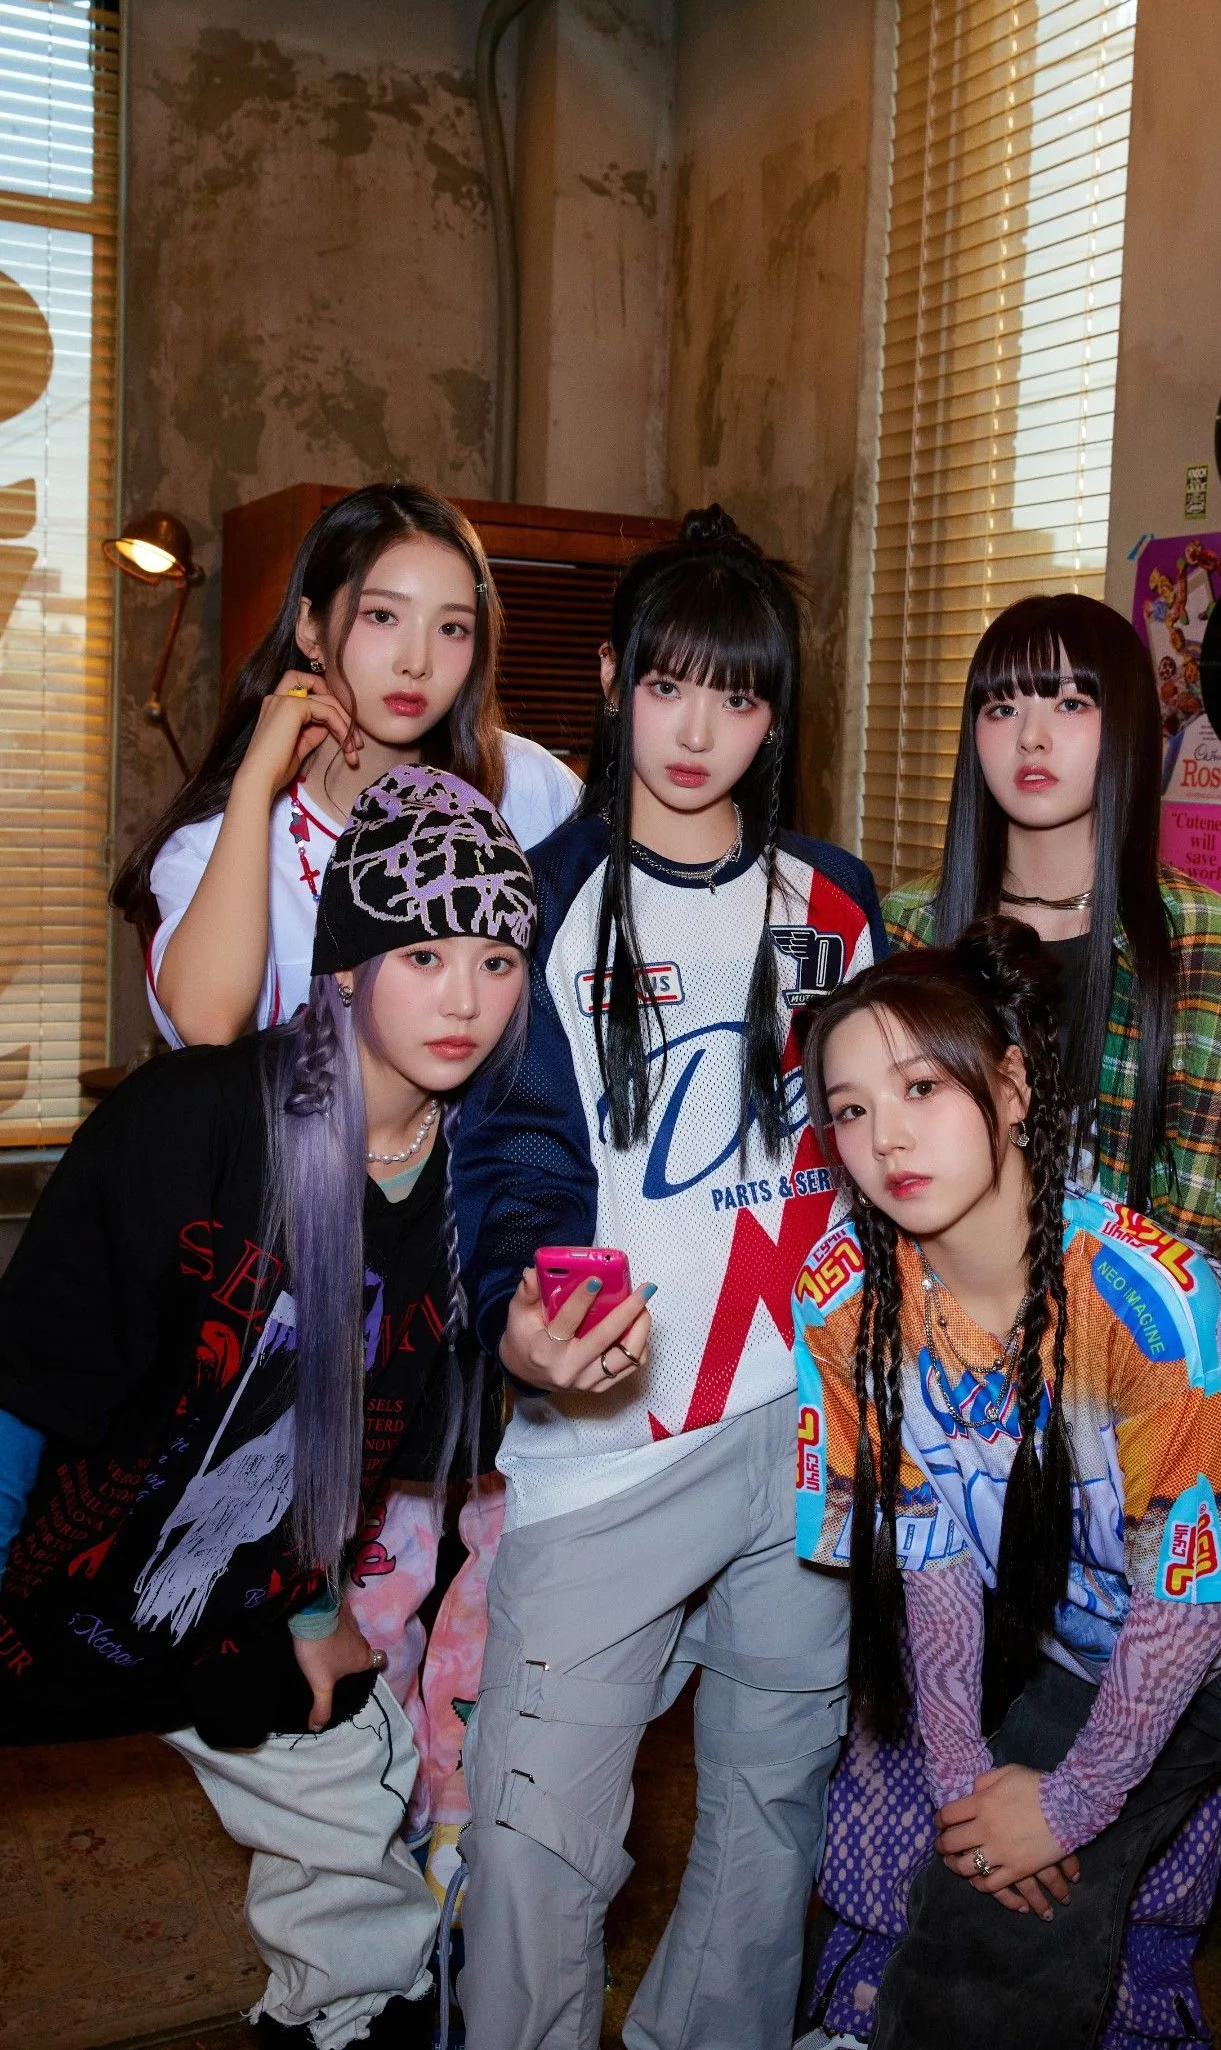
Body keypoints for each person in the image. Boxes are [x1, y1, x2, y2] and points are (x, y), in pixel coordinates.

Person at [802, 593, 1221, 2048]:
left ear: (1128, 730)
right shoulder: (904, 931)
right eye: (999, 702)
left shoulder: (1203, 951)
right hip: (954, 1464)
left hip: (1145, 1498)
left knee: (1111, 1860)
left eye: (1068, 700)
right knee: (922, 1845)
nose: (1029, 735)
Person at [0, 767, 536, 2049]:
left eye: (496, 960)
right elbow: (25, 1386)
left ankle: (340, 2023)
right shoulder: (192, 1121)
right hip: (41, 1577)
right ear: (345, 965)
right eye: (422, 954)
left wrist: (311, 1610)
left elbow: (352, 1449)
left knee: (356, 1796)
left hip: (230, 1604)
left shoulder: (477, 1191)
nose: (464, 1000)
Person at [450, 506, 888, 2050]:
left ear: (776, 714)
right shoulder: (533, 900)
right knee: (530, 1846)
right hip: (606, 1449)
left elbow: (878, 1153)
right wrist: (519, 1315)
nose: (697, 731)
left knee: (769, 1816)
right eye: (666, 685)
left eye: (738, 696)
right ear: (611, 681)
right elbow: (508, 1161)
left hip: (807, 1430)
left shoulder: (836, 902)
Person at [111, 482, 578, 1877]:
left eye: (452, 627)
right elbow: (207, 1024)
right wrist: (260, 778)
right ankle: (362, 1919)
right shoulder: (234, 833)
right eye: (381, 618)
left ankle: (449, 1895)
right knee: (335, 1657)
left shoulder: (525, 791)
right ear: (314, 627)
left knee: (482, 1626)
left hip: (459, 1257)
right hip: (301, 1291)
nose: (417, 660)